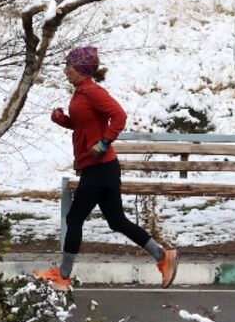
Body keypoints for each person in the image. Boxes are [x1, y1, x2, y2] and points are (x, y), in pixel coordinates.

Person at [32, 46, 178, 292]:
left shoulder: (93, 92)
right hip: (100, 167)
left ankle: (63, 275)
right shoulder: (80, 93)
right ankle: (162, 255)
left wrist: (104, 142)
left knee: (75, 217)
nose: (65, 70)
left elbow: (119, 116)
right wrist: (63, 120)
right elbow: (84, 124)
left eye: (69, 66)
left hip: (100, 168)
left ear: (80, 69)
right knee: (117, 221)